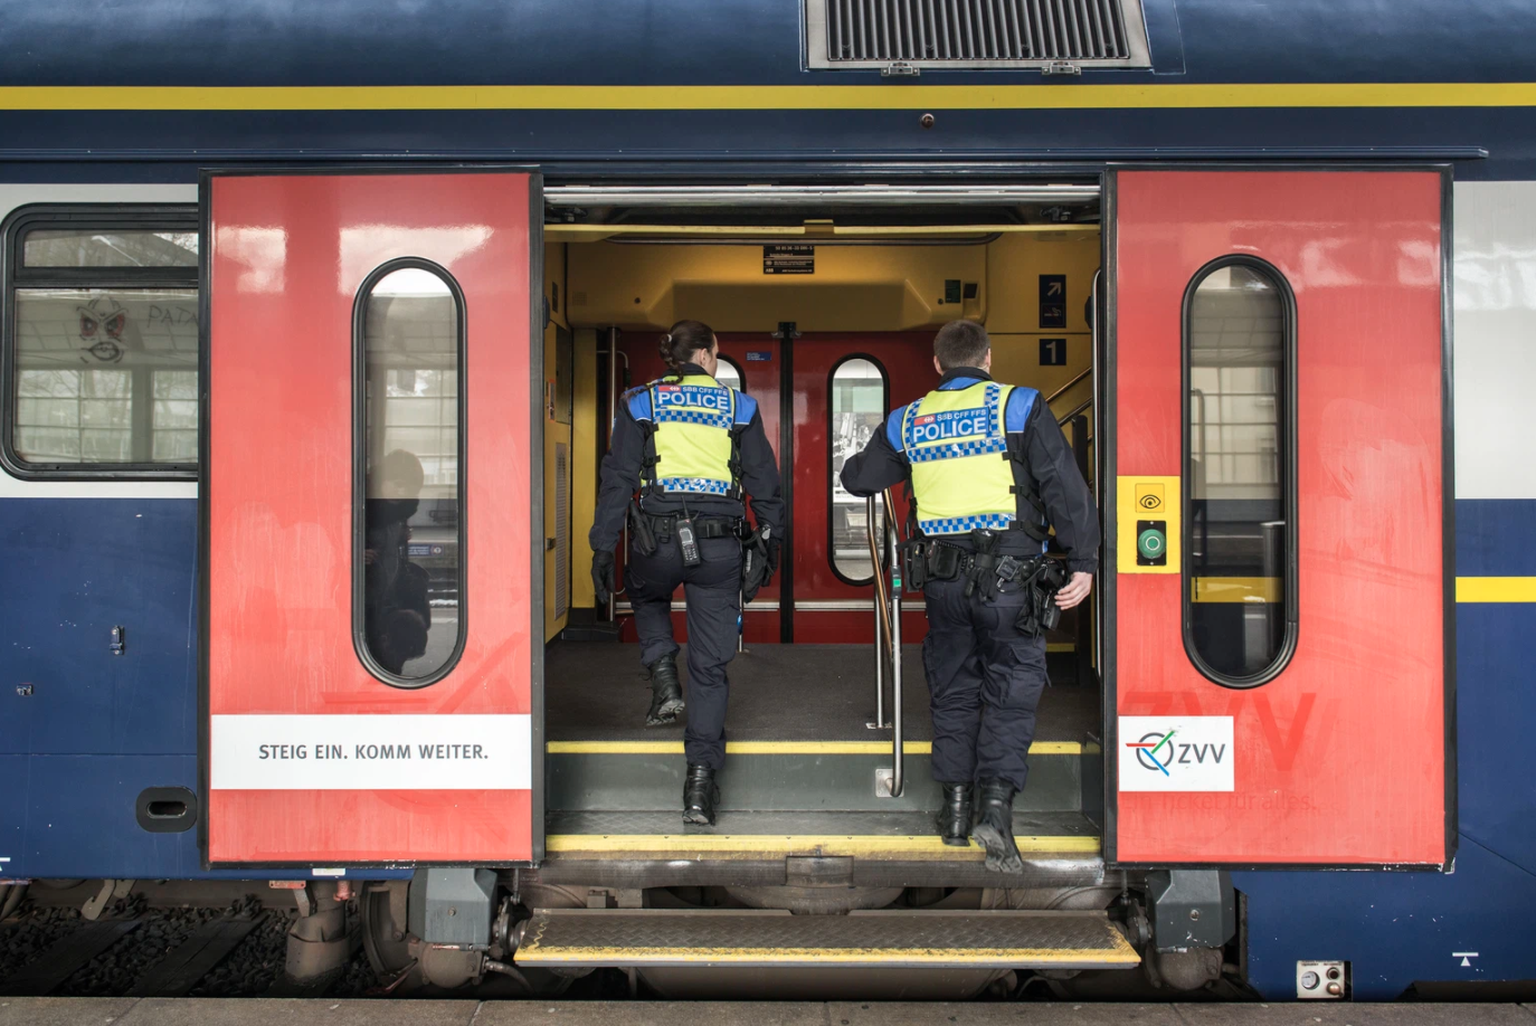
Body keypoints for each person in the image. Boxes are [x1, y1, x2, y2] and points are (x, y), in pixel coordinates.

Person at [840, 320, 1099, 873]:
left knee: (954, 688)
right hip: (1013, 578)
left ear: (937, 366)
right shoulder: (1021, 406)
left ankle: (954, 810)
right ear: (987, 359)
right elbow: (1063, 486)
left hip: (944, 581)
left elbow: (860, 479)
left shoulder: (907, 420)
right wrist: (1083, 561)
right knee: (1011, 686)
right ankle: (996, 811)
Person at [589, 320, 784, 825]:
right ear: (703, 354)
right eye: (716, 353)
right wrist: (769, 539)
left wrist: (603, 546)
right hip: (719, 550)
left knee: (643, 591)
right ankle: (700, 783)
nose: (718, 361)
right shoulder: (739, 407)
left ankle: (662, 675)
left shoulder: (640, 402)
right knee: (711, 667)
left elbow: (618, 479)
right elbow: (764, 482)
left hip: (656, 542)